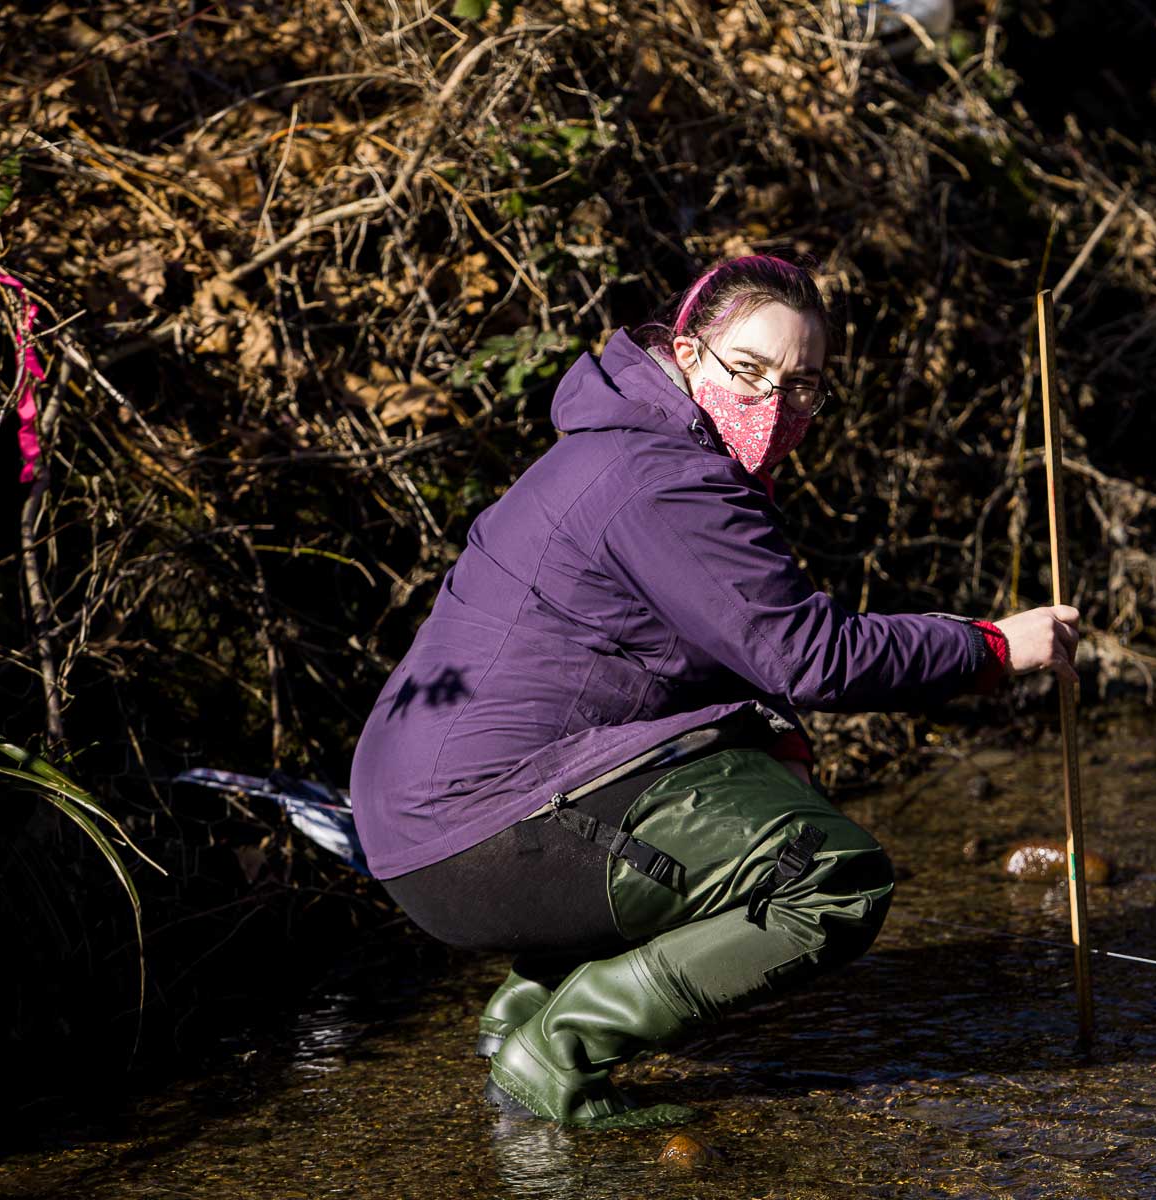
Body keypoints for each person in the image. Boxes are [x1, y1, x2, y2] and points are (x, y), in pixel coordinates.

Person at [348, 254, 1079, 1131]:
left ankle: (523, 1014)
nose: (775, 405)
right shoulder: (666, 480)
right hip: (476, 828)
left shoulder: (631, 448)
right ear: (689, 355)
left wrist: (782, 744)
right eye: (749, 371)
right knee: (829, 878)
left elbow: (719, 649)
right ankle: (562, 1049)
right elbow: (806, 653)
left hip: (427, 819)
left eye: (802, 386)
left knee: (755, 790)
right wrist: (990, 647)